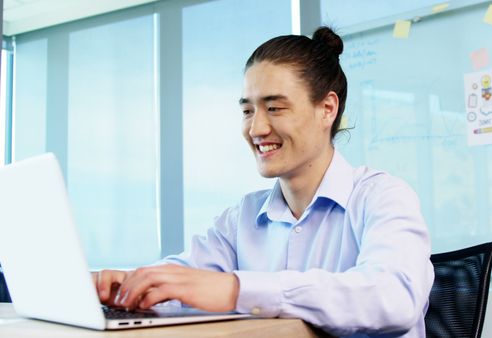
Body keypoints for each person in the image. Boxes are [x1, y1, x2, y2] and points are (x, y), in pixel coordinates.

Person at [94, 26, 434, 338]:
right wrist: (132, 285)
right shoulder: (243, 217)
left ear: (327, 109)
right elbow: (187, 276)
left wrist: (234, 289)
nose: (256, 129)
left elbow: (395, 296)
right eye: (247, 111)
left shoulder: (382, 197)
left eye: (274, 108)